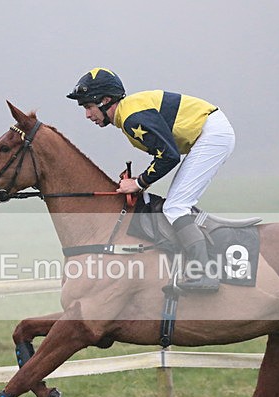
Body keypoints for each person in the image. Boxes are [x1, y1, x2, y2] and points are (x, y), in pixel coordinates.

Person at [66, 67, 236, 291]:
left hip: (212, 135)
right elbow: (165, 154)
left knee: (175, 206)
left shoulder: (131, 118)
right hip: (210, 132)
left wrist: (138, 183)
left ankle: (205, 274)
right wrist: (140, 180)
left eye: (88, 106)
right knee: (176, 204)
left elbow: (169, 156)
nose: (88, 115)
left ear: (106, 100)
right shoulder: (129, 114)